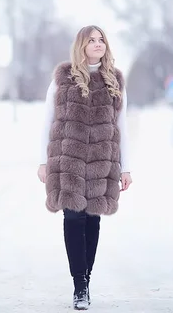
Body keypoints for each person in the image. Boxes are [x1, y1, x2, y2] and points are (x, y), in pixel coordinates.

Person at [37, 25, 133, 310]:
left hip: (102, 163)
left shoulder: (114, 80)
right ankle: (80, 285)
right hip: (69, 162)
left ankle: (86, 277)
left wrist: (126, 168)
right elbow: (47, 121)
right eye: (91, 40)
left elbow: (122, 127)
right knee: (73, 218)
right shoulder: (63, 79)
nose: (98, 43)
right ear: (81, 45)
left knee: (92, 221)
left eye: (101, 39)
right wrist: (43, 162)